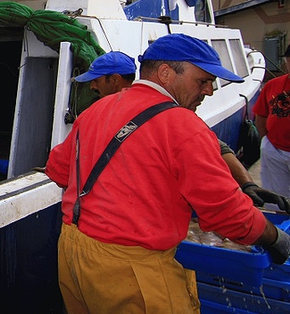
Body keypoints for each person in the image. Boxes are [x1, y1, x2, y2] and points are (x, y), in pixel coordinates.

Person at [46, 34, 290, 313]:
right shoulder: (182, 125)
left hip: (72, 254)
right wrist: (274, 237)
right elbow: (229, 216)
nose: (210, 90)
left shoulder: (95, 110)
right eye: (203, 81)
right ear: (165, 73)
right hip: (132, 270)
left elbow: (58, 169)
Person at [76, 51, 290, 211]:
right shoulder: (169, 109)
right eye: (203, 82)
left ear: (114, 80)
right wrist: (247, 183)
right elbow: (218, 148)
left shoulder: (97, 113)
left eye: (95, 81)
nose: (93, 87)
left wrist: (269, 233)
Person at [254, 44, 290, 198]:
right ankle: (279, 221)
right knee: (276, 197)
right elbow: (261, 115)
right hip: (274, 150)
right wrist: (265, 141)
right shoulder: (272, 85)